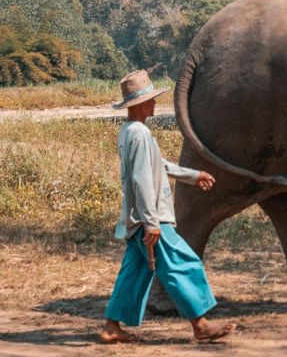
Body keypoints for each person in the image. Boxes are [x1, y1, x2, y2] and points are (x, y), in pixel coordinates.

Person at [99, 70, 234, 343]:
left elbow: (157, 166)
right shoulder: (139, 133)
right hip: (151, 218)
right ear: (137, 104)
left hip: (136, 220)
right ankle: (200, 325)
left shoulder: (130, 131)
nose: (154, 104)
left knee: (134, 273)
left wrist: (192, 176)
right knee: (182, 264)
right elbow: (141, 178)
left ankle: (111, 327)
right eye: (150, 99)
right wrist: (151, 221)